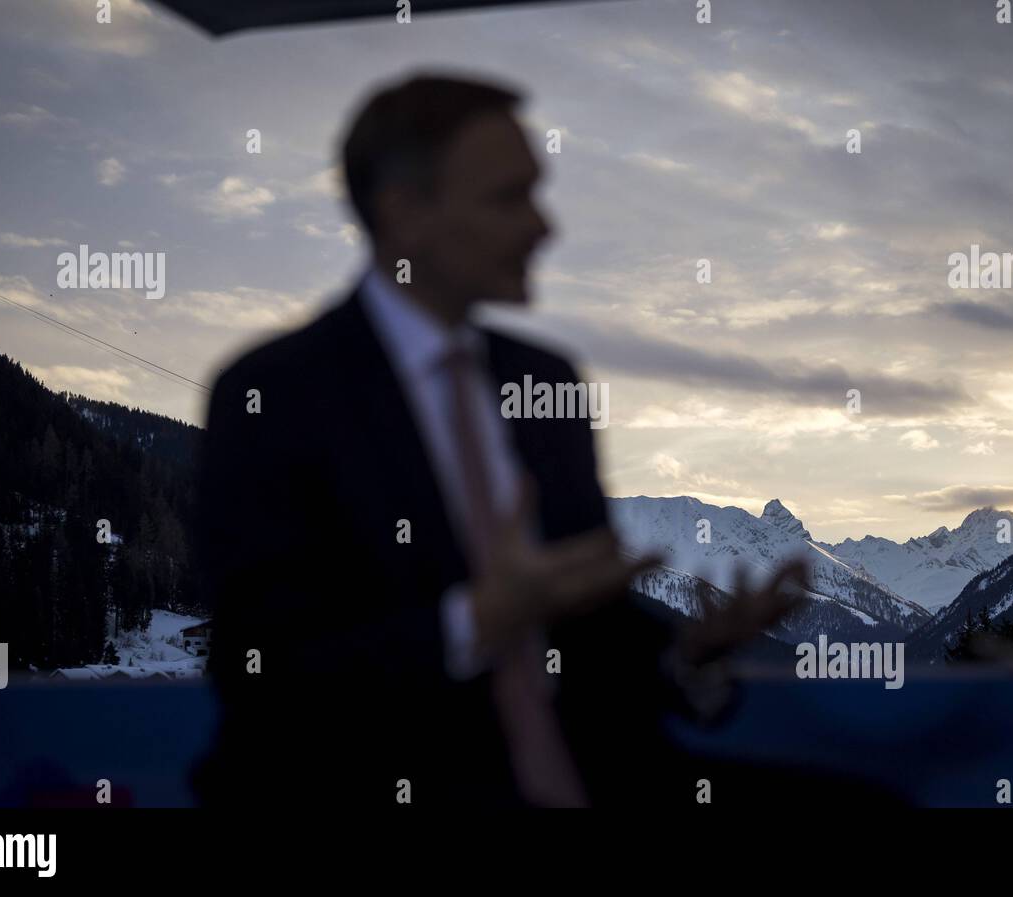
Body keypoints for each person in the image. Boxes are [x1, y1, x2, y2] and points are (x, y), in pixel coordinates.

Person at [194, 73, 818, 808]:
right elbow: (268, 676)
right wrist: (482, 618)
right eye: (508, 197)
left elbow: (589, 634)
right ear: (404, 214)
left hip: (595, 772)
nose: (543, 228)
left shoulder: (545, 381)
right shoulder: (275, 393)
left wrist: (690, 653)